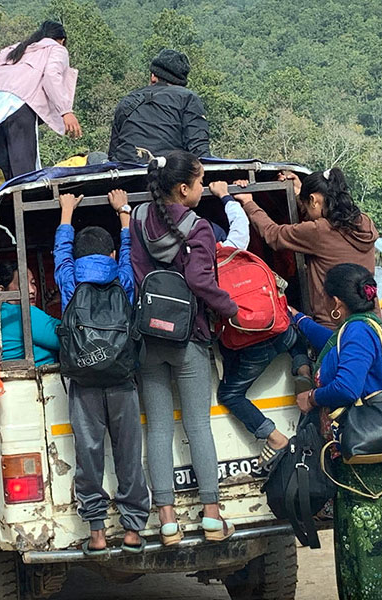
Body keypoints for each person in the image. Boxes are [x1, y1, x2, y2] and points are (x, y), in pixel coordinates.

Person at [293, 263, 382, 600]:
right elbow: (331, 344)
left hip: (366, 463)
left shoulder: (357, 332)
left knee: (369, 545)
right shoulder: (363, 327)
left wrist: (312, 397)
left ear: (336, 301)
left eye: (325, 301)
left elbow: (347, 387)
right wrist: (298, 319)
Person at [129, 150, 238, 545]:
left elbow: (136, 270)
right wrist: (230, 307)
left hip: (148, 337)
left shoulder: (138, 218)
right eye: (201, 181)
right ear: (183, 188)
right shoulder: (200, 227)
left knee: (157, 428)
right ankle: (211, 515)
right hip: (188, 336)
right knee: (197, 424)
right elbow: (200, 281)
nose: (204, 187)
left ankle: (167, 521)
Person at [53, 190, 150, 555]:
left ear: (77, 257)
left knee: (88, 454)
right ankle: (133, 530)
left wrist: (66, 210)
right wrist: (123, 214)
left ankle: (96, 531)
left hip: (84, 382)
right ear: (110, 255)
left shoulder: (69, 280)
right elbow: (130, 253)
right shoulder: (123, 279)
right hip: (123, 381)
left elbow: (60, 252)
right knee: (129, 453)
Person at [215, 179, 314, 474]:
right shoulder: (242, 250)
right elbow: (240, 226)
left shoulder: (202, 269)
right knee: (296, 340)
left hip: (252, 345)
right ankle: (302, 369)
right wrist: (228, 197)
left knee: (229, 394)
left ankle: (274, 436)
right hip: (281, 330)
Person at [234, 167, 379, 327]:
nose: (306, 214)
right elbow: (317, 216)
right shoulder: (364, 223)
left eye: (306, 205)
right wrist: (298, 191)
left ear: (314, 199)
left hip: (335, 326)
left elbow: (273, 234)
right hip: (372, 321)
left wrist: (248, 202)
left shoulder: (320, 232)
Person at [0, 21, 82, 180]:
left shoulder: (17, 48)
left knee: (8, 169)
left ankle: (13, 203)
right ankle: (28, 201)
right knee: (24, 168)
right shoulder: (56, 49)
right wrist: (66, 111)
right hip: (18, 104)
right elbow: (51, 76)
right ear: (62, 40)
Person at [108, 49, 209, 164]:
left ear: (153, 76)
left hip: (127, 174)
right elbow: (200, 152)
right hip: (168, 175)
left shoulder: (128, 100)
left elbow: (112, 154)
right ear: (182, 82)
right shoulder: (188, 98)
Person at [0, 262, 60, 365]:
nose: (32, 290)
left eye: (33, 283)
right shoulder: (21, 314)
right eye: (22, 285)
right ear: (2, 291)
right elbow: (73, 337)